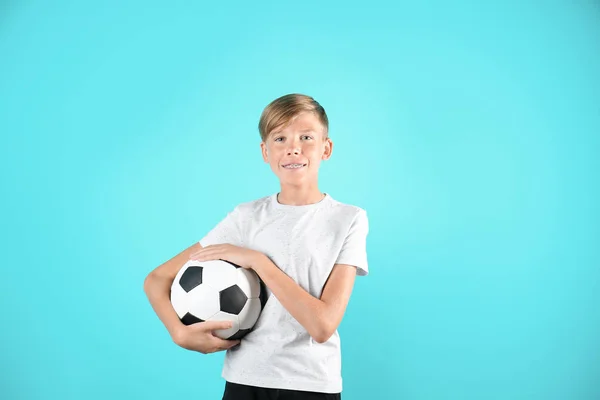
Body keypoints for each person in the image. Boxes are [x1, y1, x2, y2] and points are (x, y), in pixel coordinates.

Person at [143, 93, 369, 400]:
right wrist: (179, 332)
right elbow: (157, 279)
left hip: (311, 385)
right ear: (265, 151)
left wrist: (257, 261)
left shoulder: (348, 219)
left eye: (306, 137)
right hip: (243, 381)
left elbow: (322, 325)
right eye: (280, 138)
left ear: (326, 148)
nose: (293, 148)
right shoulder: (246, 218)